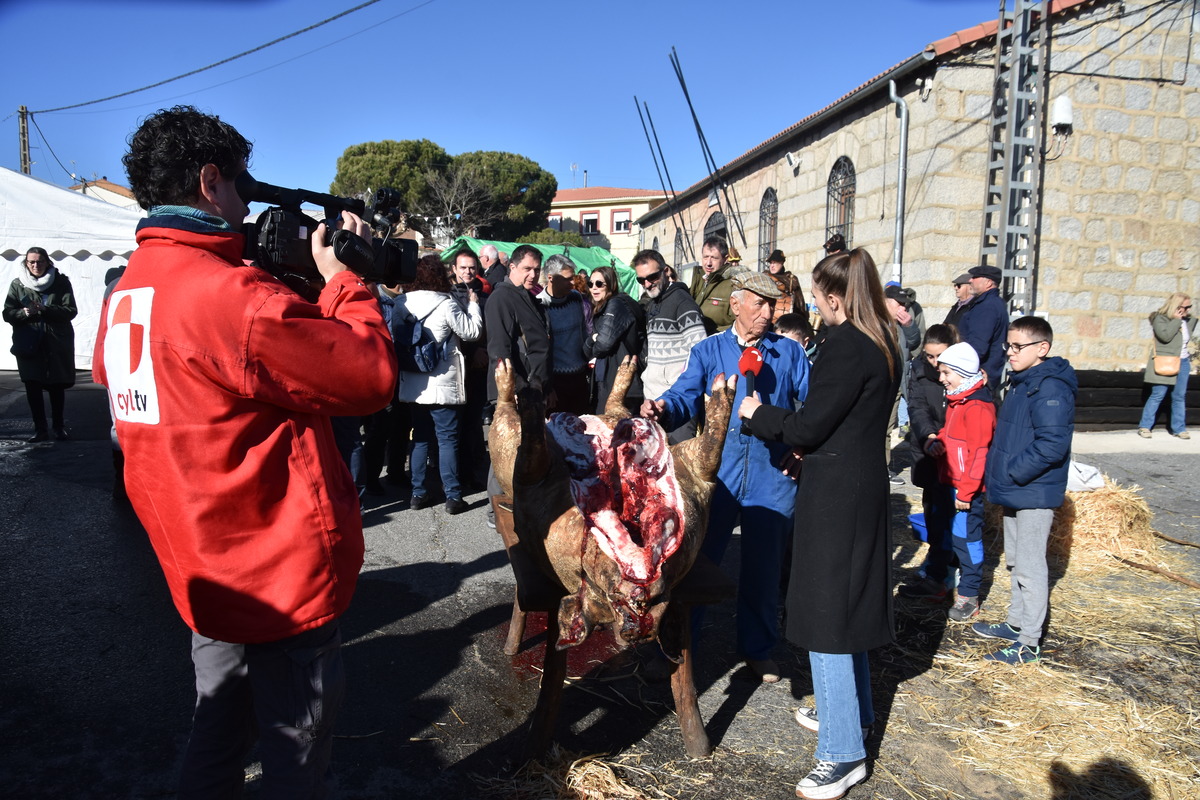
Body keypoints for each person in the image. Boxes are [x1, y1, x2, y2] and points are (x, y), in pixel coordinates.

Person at [93, 105, 397, 797]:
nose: (246, 200)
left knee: (217, 729)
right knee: (297, 744)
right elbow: (369, 376)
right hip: (276, 570)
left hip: (201, 569)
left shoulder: (126, 295)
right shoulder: (232, 297)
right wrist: (347, 280)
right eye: (241, 184)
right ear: (209, 181)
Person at [736, 248, 899, 800]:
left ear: (834, 297)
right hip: (857, 485)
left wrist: (758, 416)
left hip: (837, 498)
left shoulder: (847, 345)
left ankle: (843, 753)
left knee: (828, 616)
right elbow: (843, 423)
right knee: (845, 606)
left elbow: (809, 424)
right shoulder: (882, 341)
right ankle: (854, 716)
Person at [642, 271, 810, 684]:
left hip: (773, 474)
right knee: (697, 563)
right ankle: (682, 647)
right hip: (721, 474)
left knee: (764, 566)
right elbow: (685, 394)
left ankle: (758, 648)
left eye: (774, 305)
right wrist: (663, 408)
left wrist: (804, 449)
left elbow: (814, 407)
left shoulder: (790, 354)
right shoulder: (709, 350)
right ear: (735, 304)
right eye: (760, 303)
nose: (769, 313)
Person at [974, 316, 1076, 664]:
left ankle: (1029, 643)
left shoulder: (1049, 387)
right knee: (1016, 562)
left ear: (1042, 348)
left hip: (1031, 490)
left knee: (1031, 567)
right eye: (1008, 346)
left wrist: (1013, 471)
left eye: (1018, 347)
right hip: (1017, 488)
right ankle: (1016, 624)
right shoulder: (1023, 381)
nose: (1010, 353)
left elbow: (1052, 445)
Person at [394, 256, 483, 514]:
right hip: (442, 382)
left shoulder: (402, 303)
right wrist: (474, 306)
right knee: (447, 440)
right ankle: (453, 497)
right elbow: (471, 332)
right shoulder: (446, 304)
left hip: (413, 382)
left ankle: (418, 493)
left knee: (420, 439)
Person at [484, 244, 552, 526]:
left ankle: (517, 503)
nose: (533, 274)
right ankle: (496, 509)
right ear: (511, 267)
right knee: (506, 449)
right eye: (527, 268)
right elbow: (500, 350)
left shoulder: (526, 296)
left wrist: (546, 387)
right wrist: (512, 392)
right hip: (515, 390)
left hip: (533, 389)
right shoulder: (502, 298)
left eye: (537, 269)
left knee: (523, 449)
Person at [932, 342, 996, 623]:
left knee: (967, 541)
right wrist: (939, 441)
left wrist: (967, 492)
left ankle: (969, 596)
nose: (941, 378)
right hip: (953, 485)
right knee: (956, 540)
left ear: (962, 372)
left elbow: (978, 454)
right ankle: (951, 583)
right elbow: (953, 435)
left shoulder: (978, 407)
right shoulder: (958, 401)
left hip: (965, 491)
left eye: (946, 372)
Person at [897, 324, 960, 601]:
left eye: (940, 357)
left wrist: (949, 439)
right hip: (929, 450)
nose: (935, 363)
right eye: (930, 356)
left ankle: (944, 574)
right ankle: (936, 567)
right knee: (933, 512)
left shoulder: (962, 369)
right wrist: (929, 435)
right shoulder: (919, 370)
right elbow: (917, 407)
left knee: (950, 517)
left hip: (954, 456)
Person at [5, 246, 78, 442]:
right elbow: (7, 313)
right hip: (29, 343)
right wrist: (25, 313)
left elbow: (70, 310)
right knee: (33, 385)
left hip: (55, 342)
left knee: (56, 386)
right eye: (32, 262)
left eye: (40, 261)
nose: (36, 265)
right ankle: (40, 430)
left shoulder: (60, 282)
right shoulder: (18, 284)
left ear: (47, 262)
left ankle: (58, 427)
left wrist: (44, 310)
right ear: (26, 264)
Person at [632, 249, 706, 436]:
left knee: (678, 462)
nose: (647, 284)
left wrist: (678, 391)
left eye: (652, 277)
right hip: (652, 400)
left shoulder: (683, 303)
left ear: (666, 272)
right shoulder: (654, 302)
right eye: (641, 280)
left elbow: (701, 352)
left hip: (678, 404)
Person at [449, 249, 492, 489]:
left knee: (473, 422)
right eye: (463, 267)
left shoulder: (486, 297)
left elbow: (491, 328)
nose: (467, 271)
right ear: (454, 269)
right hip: (454, 367)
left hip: (478, 369)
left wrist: (482, 350)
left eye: (471, 267)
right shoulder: (447, 296)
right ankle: (454, 472)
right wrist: (470, 350)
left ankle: (472, 470)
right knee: (455, 423)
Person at [586, 265, 645, 414]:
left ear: (610, 285)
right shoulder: (602, 307)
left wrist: (592, 342)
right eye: (590, 283)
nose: (594, 288)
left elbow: (602, 345)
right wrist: (592, 341)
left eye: (599, 284)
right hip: (610, 378)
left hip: (620, 382)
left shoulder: (615, 304)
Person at [539, 254, 592, 415]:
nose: (572, 283)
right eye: (567, 279)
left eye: (573, 278)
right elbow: (539, 351)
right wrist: (548, 387)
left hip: (580, 377)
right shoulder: (539, 305)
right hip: (556, 382)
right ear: (551, 278)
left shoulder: (576, 298)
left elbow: (585, 331)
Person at [1137, 292, 1194, 439]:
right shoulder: (1160, 319)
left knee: (1179, 396)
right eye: (1186, 307)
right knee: (1158, 394)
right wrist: (1176, 319)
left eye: (1190, 307)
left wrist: (1182, 319)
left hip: (1183, 361)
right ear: (1177, 306)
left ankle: (1179, 428)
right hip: (1165, 361)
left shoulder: (1187, 320)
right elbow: (1165, 336)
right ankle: (1145, 426)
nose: (1188, 310)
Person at [958, 264, 1009, 392]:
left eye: (975, 277)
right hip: (982, 374)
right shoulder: (991, 303)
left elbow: (977, 346)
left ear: (988, 283)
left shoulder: (987, 307)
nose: (970, 280)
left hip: (976, 376)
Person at [689, 235, 738, 334]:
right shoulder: (698, 281)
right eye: (705, 257)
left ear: (725, 259)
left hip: (717, 344)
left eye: (714, 258)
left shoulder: (733, 285)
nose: (708, 263)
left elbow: (738, 323)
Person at [766, 249, 806, 324]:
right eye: (771, 263)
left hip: (785, 320)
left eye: (775, 263)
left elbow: (799, 302)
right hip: (767, 317)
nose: (772, 266)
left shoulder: (791, 279)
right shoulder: (765, 277)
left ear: (781, 263)